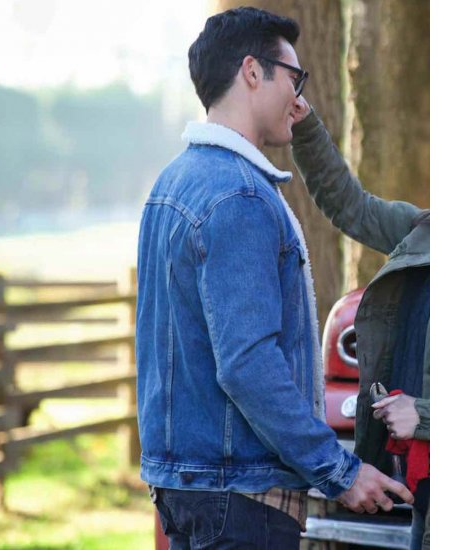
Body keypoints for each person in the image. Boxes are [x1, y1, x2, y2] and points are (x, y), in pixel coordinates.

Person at [135, 7, 413, 549]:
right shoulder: (241, 196)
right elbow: (248, 365)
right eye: (294, 77)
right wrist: (339, 470)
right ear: (252, 72)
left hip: (186, 489)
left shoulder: (170, 185)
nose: (299, 93)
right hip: (241, 500)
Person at [290, 102, 430, 550]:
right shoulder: (427, 233)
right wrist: (304, 125)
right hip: (425, 499)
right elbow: (350, 206)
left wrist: (424, 416)